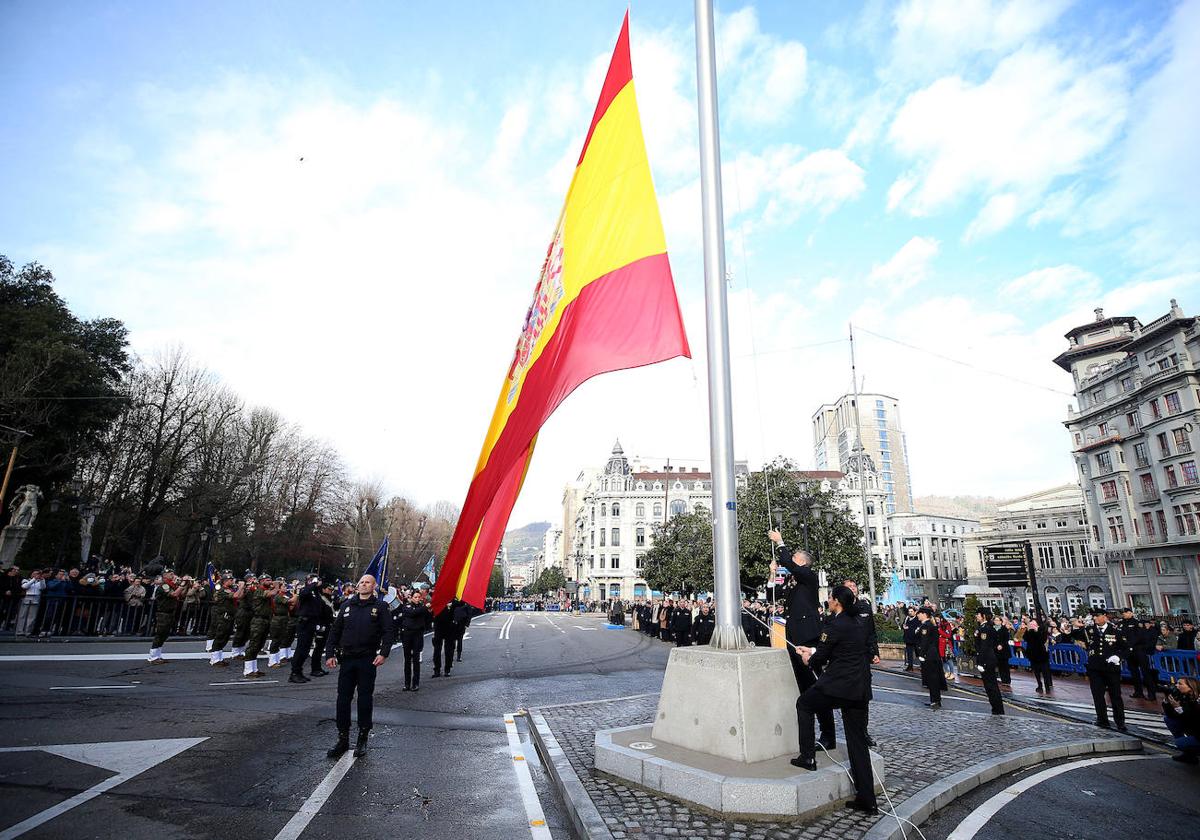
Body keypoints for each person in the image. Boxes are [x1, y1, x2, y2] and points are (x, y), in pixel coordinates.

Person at [792, 585, 877, 816]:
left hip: (839, 686)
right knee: (858, 743)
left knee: (804, 704)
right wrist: (813, 650)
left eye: (830, 598)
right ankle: (867, 800)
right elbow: (838, 649)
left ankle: (807, 756)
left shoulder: (835, 625)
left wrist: (807, 657)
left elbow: (820, 657)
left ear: (837, 601)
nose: (827, 601)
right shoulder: (858, 623)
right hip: (859, 689)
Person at [769, 529, 835, 750]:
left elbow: (788, 561)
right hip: (794, 638)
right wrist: (772, 573)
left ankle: (828, 735)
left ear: (803, 563)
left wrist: (780, 542)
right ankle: (808, 730)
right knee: (804, 687)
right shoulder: (795, 582)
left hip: (807, 638)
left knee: (816, 685)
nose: (791, 562)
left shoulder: (808, 577)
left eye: (796, 559)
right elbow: (774, 593)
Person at [324, 574, 395, 758]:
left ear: (374, 586)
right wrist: (330, 653)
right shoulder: (347, 605)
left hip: (367, 659)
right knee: (343, 699)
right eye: (361, 582)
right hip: (347, 659)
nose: (364, 585)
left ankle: (363, 737)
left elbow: (389, 631)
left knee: (364, 699)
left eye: (367, 582)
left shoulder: (380, 607)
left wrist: (384, 653)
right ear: (357, 586)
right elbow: (335, 630)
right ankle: (343, 737)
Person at [1072, 608, 1129, 732]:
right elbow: (1075, 635)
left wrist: (1118, 657)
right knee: (1098, 695)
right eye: (1093, 616)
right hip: (1095, 668)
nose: (1095, 618)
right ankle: (1102, 719)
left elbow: (1126, 648)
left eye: (1097, 616)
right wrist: (1076, 627)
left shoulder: (1115, 630)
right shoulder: (1089, 630)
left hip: (1111, 668)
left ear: (1104, 616)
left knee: (1115, 696)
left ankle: (1120, 722)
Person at [147, 571, 191, 664]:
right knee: (160, 634)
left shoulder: (171, 585)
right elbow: (174, 594)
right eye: (170, 574)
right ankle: (153, 656)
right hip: (163, 613)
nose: (173, 575)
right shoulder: (164, 586)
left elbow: (181, 594)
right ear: (165, 576)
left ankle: (158, 655)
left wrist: (186, 585)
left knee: (164, 635)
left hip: (170, 613)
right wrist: (182, 584)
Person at [290, 577, 325, 683]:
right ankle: (294, 673)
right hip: (304, 622)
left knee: (305, 650)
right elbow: (304, 594)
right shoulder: (306, 589)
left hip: (312, 622)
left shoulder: (315, 593)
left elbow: (319, 607)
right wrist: (313, 584)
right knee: (301, 649)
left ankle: (299, 672)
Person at [397, 591, 433, 691]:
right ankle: (407, 683)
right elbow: (412, 613)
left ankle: (415, 683)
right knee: (407, 660)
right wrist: (425, 608)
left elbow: (428, 618)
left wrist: (429, 610)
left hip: (418, 634)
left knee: (416, 659)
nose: (417, 599)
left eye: (418, 597)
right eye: (415, 597)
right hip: (407, 634)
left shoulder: (422, 607)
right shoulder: (407, 606)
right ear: (411, 598)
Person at [241, 576, 275, 679]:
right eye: (268, 580)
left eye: (270, 580)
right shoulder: (259, 591)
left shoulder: (265, 590)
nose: (270, 582)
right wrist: (277, 586)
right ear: (262, 582)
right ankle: (248, 670)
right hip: (258, 620)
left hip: (265, 620)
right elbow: (272, 593)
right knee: (254, 644)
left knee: (259, 645)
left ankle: (254, 669)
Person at [974, 607, 1005, 715]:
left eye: (978, 614)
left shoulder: (986, 628)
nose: (976, 616)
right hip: (986, 658)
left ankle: (998, 709)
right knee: (989, 686)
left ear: (983, 616)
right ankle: (995, 708)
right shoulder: (982, 627)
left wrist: (982, 662)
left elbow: (985, 646)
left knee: (991, 685)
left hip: (987, 659)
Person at [1162, 677, 1200, 764]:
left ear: (1190, 687)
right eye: (1176, 683)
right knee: (1170, 720)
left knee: (1181, 743)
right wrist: (1167, 701)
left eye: (1180, 684)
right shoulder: (1185, 697)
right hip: (1195, 730)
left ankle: (1191, 750)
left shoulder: (1197, 701)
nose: (1176, 685)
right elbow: (1171, 715)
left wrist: (1178, 708)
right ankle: (1189, 755)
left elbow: (1194, 720)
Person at [916, 606, 945, 709]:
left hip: (929, 656)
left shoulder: (926, 626)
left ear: (924, 614)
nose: (918, 615)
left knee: (932, 679)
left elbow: (925, 642)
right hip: (931, 655)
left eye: (919, 613)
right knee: (931, 679)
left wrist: (921, 654)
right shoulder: (927, 625)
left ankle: (935, 701)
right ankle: (934, 700)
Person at [208, 572, 238, 667]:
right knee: (220, 637)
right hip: (223, 617)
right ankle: (214, 659)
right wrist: (241, 587)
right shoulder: (223, 590)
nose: (232, 581)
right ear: (225, 581)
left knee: (225, 637)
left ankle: (219, 658)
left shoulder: (230, 589)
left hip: (229, 616)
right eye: (230, 580)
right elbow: (235, 596)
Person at [1023, 618, 1053, 693]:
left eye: (1034, 623)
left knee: (1045, 671)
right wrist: (1027, 630)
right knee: (1036, 671)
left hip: (1042, 654)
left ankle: (1047, 686)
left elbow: (1043, 640)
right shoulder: (1029, 632)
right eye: (1031, 624)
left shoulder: (1041, 630)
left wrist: (1037, 631)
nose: (1032, 625)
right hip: (1032, 654)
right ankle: (1039, 685)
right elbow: (1025, 638)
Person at [431, 597, 459, 678]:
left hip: (450, 626)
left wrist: (452, 604)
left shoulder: (453, 598)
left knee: (449, 649)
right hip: (438, 626)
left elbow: (460, 603)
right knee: (437, 649)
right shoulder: (438, 597)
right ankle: (437, 669)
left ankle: (447, 669)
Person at [993, 614, 1012, 685]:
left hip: (1004, 650)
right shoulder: (992, 629)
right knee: (999, 666)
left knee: (1005, 666)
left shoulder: (1004, 629)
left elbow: (1006, 638)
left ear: (1001, 621)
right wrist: (995, 646)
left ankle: (1007, 680)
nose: (996, 621)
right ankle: (1003, 679)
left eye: (997, 620)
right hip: (996, 650)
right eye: (995, 620)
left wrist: (1001, 645)